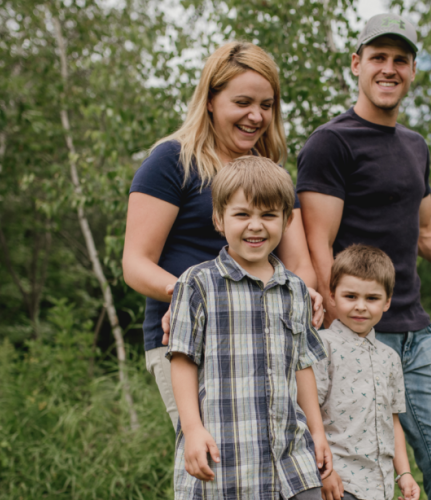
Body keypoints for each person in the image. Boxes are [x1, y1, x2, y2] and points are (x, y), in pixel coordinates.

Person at [296, 13, 431, 499]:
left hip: (416, 332)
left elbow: (427, 234)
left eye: (401, 60)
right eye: (378, 58)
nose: (389, 69)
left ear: (413, 70)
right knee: (358, 463)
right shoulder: (331, 143)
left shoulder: (416, 146)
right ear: (357, 64)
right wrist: (338, 332)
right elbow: (317, 247)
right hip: (355, 330)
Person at [122, 41, 322, 429]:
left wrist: (298, 295)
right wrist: (194, 296)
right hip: (190, 343)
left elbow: (300, 265)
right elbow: (135, 264)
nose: (256, 116)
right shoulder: (172, 161)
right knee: (219, 459)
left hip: (263, 337)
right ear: (211, 100)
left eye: (266, 106)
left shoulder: (270, 173)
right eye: (243, 102)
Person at [167, 156, 331, 500]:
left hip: (290, 459)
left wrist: (318, 432)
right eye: (242, 214)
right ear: (218, 218)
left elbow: (302, 367)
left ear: (286, 221)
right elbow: (182, 360)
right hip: (227, 457)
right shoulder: (197, 284)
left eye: (268, 215)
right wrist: (192, 429)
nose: (255, 226)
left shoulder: (296, 290)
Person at [312, 245, 420, 500]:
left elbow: (392, 419)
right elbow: (307, 413)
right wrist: (324, 473)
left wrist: (403, 472)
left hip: (379, 485)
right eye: (350, 296)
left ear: (387, 302)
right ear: (332, 294)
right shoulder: (321, 346)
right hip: (339, 482)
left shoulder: (390, 358)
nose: (360, 306)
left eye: (371, 298)